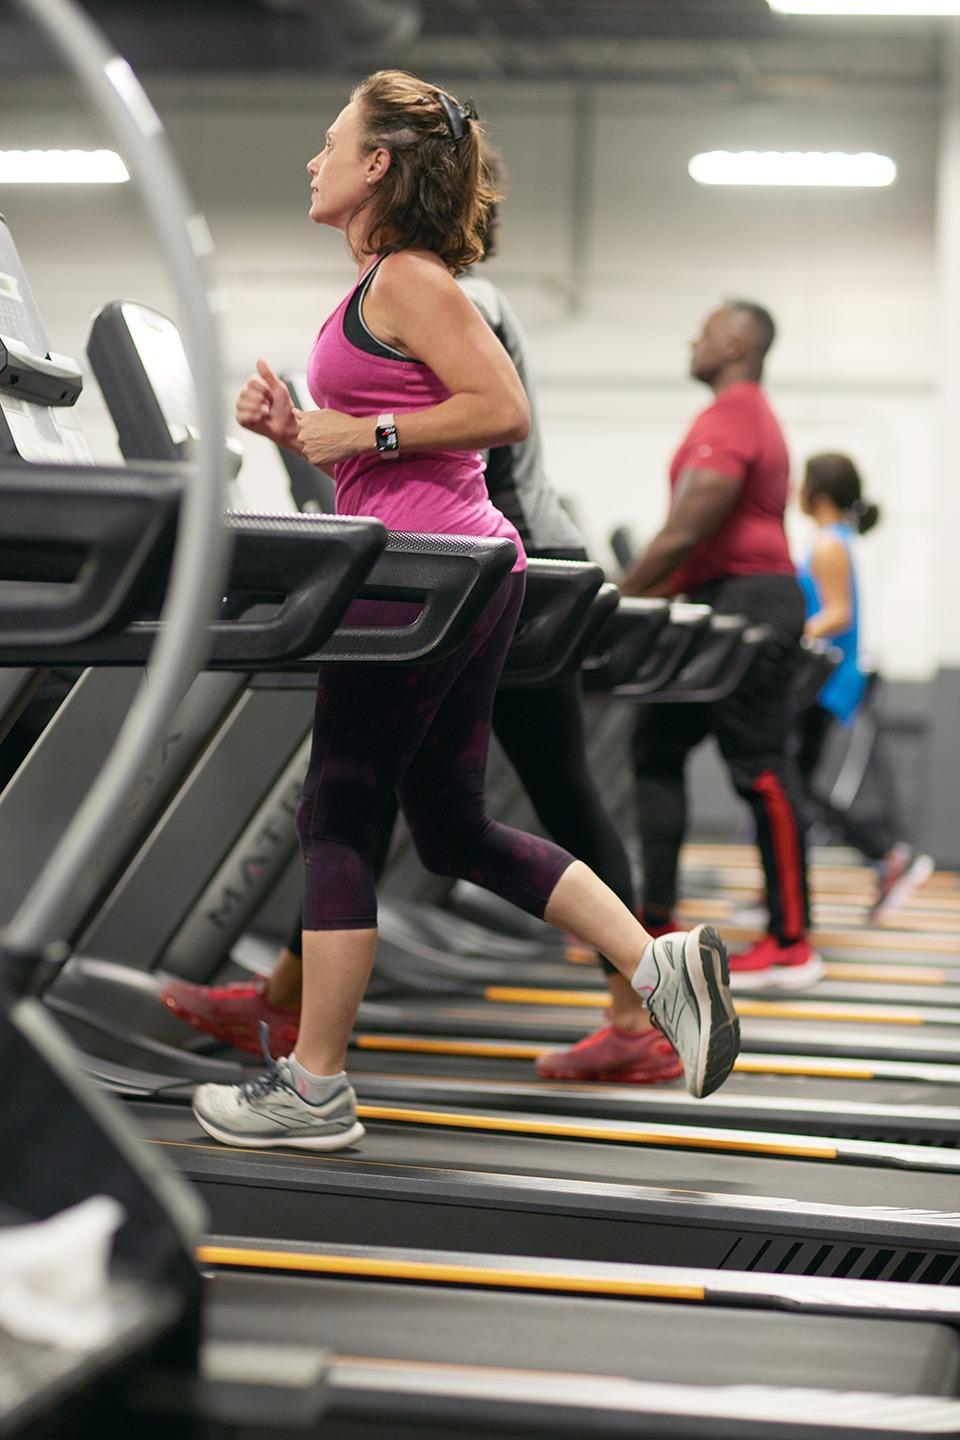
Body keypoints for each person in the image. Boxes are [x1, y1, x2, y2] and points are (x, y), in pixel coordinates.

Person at [188, 70, 739, 1151]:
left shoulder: (408, 278)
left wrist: (369, 439)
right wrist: (299, 431)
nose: (315, 159)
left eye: (331, 139)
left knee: (339, 810)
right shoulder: (386, 286)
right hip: (446, 565)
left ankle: (313, 1085)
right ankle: (654, 962)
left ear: (378, 164)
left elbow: (501, 409)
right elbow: (388, 435)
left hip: (423, 574)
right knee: (450, 824)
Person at [623, 301, 822, 991]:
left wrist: (617, 597)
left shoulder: (736, 412)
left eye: (705, 331)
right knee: (655, 748)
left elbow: (687, 526)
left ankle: (793, 942)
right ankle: (652, 924)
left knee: (759, 769)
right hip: (713, 601)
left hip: (751, 600)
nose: (694, 340)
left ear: (735, 344)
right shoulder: (733, 412)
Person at [794, 452, 933, 918]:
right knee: (792, 783)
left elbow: (838, 613)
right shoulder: (833, 539)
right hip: (826, 679)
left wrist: (791, 635)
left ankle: (886, 854)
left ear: (818, 493)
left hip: (826, 681)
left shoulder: (828, 544)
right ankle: (788, 885)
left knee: (791, 785)